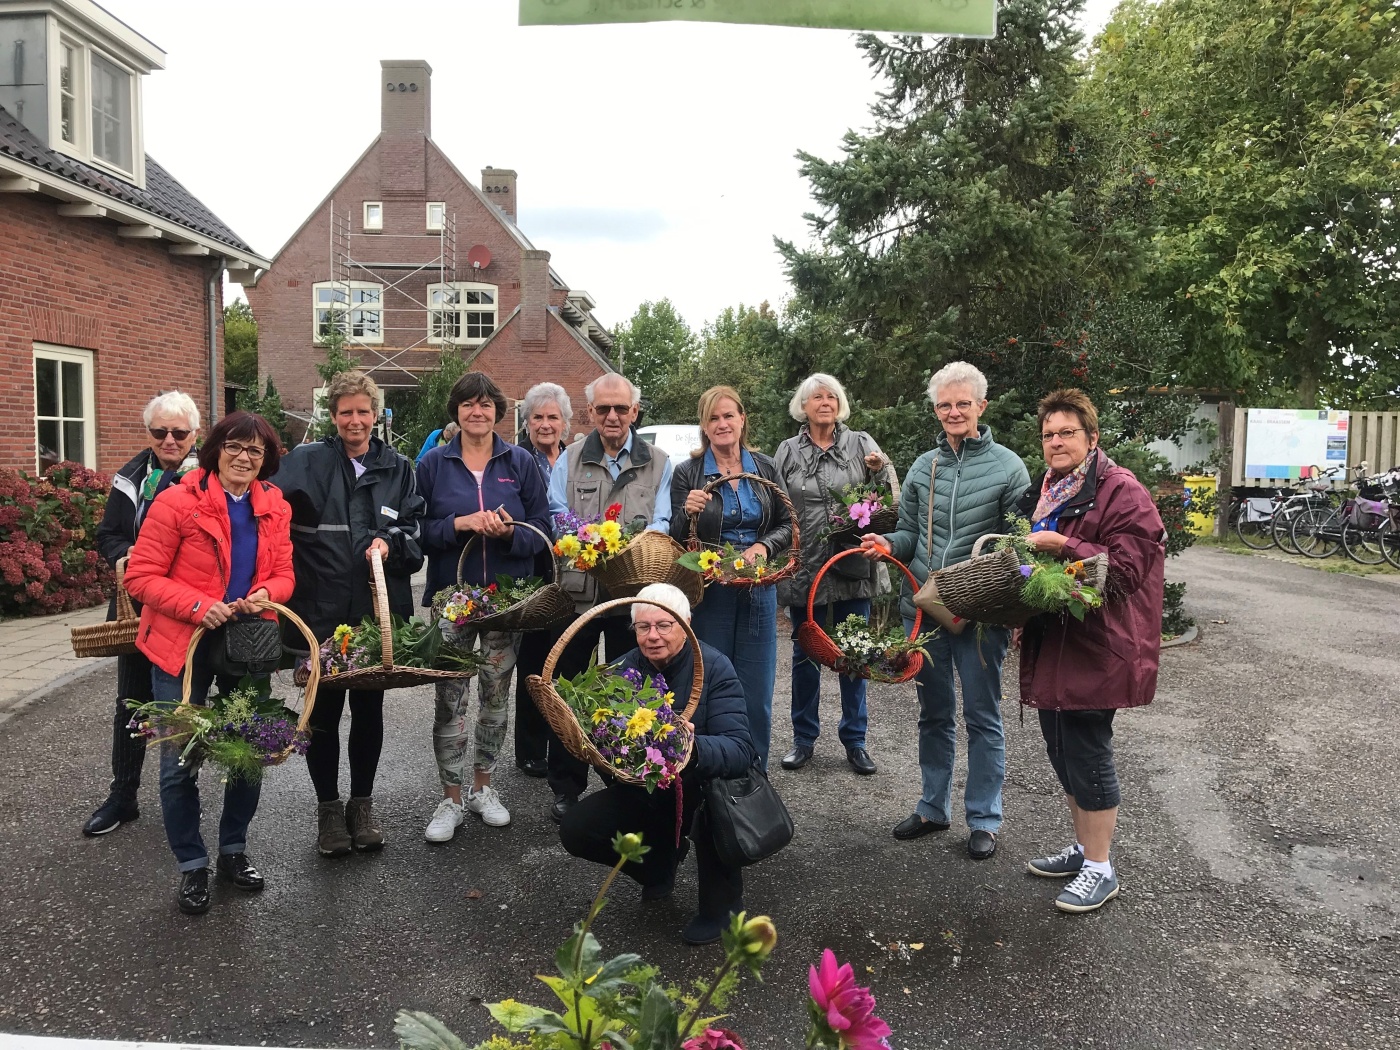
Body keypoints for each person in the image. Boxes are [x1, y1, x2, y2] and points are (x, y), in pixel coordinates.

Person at [123, 411, 295, 916]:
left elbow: (285, 573)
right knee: (180, 760)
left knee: (247, 748)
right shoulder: (177, 501)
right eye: (235, 447)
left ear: (266, 461)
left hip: (247, 643)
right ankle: (192, 863)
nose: (244, 458)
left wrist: (266, 592)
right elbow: (141, 577)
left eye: (255, 451)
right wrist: (200, 605)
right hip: (181, 644)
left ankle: (233, 851)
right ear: (217, 448)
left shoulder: (274, 505)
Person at [861, 361, 1030, 860]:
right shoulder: (922, 467)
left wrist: (1014, 606)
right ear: (935, 410)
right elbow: (910, 533)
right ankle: (933, 807)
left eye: (962, 403)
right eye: (944, 405)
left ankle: (984, 817)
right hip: (929, 606)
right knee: (933, 713)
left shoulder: (1007, 466)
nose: (953, 412)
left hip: (982, 611)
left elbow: (1019, 544)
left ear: (981, 406)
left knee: (982, 715)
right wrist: (886, 541)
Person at [1015, 388, 1164, 913]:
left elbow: (1124, 572)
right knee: (1062, 752)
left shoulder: (1123, 492)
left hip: (1099, 646)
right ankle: (1084, 850)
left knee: (1088, 753)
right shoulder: (1050, 490)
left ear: (1092, 437)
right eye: (1049, 435)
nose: (1056, 442)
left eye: (1067, 433)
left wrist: (1064, 547)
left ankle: (1101, 868)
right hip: (1057, 642)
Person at [272, 371, 424, 857]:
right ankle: (328, 814)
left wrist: (393, 540)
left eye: (363, 411)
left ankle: (362, 807)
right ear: (332, 416)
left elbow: (417, 532)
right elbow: (267, 508)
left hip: (375, 614)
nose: (354, 421)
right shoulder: (305, 461)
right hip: (318, 608)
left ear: (376, 415)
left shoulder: (399, 468)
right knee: (322, 714)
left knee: (369, 711)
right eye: (345, 412)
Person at [558, 583, 754, 946]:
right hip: (647, 786)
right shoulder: (620, 670)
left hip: (704, 784)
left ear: (687, 624)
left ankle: (722, 909)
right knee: (576, 828)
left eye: (664, 625)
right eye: (644, 627)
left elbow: (740, 749)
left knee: (714, 808)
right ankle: (657, 865)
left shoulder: (714, 668)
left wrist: (690, 748)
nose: (653, 636)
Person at [417, 372, 550, 842]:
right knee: (450, 698)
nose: (478, 412)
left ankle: (483, 787)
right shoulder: (433, 464)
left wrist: (511, 531)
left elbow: (542, 529)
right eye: (469, 405)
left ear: (498, 411)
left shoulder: (521, 462)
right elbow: (419, 533)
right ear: (456, 411)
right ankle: (451, 798)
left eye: (486, 405)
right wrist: (458, 523)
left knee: (496, 698)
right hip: (451, 603)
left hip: (504, 604)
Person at [544, 373, 675, 822]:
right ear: (591, 413)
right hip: (577, 594)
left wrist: (626, 546)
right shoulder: (572, 458)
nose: (612, 417)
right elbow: (555, 509)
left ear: (635, 412)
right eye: (603, 409)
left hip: (629, 598)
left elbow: (664, 520)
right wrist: (588, 537)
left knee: (628, 689)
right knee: (568, 688)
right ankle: (565, 785)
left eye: (621, 409)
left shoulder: (659, 462)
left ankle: (624, 779)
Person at [83, 391, 201, 837]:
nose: (169, 440)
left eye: (179, 432)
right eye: (159, 431)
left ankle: (184, 795)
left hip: (189, 607)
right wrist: (129, 557)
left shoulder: (208, 477)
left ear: (194, 434)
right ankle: (123, 795)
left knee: (185, 703)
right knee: (130, 703)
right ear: (149, 433)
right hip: (137, 605)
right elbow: (108, 534)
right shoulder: (130, 477)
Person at [773, 373, 891, 776]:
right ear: (802, 407)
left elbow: (889, 499)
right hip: (805, 567)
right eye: (816, 397)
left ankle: (855, 741)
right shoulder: (787, 451)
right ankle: (803, 740)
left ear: (840, 404)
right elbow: (777, 508)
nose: (825, 402)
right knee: (806, 653)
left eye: (831, 396)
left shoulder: (862, 443)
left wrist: (876, 472)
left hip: (852, 565)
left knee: (854, 652)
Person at [670, 385, 792, 770]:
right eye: (713, 418)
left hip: (759, 588)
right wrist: (687, 511)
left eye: (728, 416)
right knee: (709, 684)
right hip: (710, 592)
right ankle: (711, 772)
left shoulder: (765, 467)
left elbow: (788, 523)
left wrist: (764, 548)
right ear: (704, 427)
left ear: (742, 420)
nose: (722, 424)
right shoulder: (688, 472)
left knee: (756, 690)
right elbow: (674, 538)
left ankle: (754, 775)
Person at [513, 381, 572, 779]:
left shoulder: (576, 458)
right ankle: (531, 747)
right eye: (538, 417)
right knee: (534, 660)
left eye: (553, 417)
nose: (546, 424)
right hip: (535, 570)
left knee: (568, 658)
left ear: (565, 423)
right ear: (527, 422)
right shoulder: (518, 460)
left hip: (576, 572)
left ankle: (566, 741)